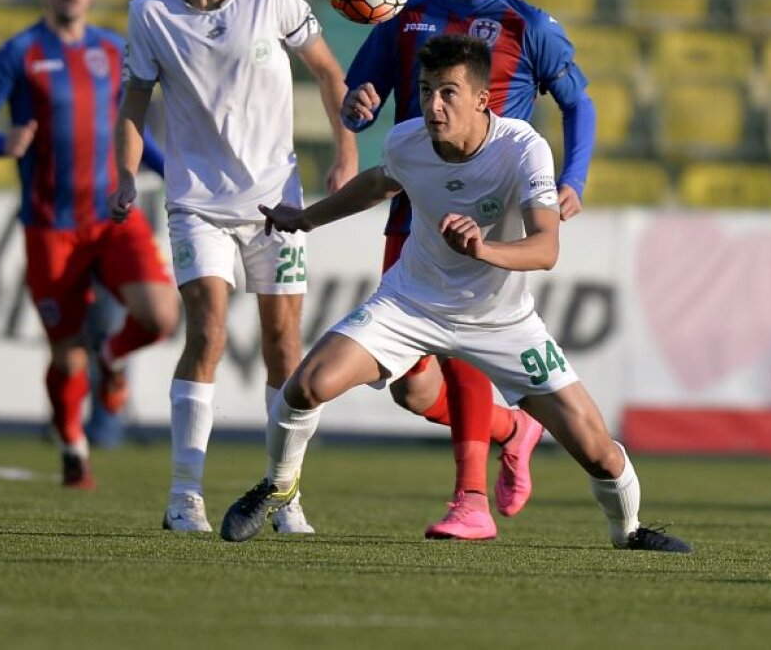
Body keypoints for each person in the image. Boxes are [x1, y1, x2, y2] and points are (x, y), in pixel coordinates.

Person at [220, 34, 689, 554]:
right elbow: (379, 183)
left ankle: (630, 531)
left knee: (597, 449)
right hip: (410, 304)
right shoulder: (408, 140)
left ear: (482, 100)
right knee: (309, 384)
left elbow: (545, 249)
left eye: (447, 93)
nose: (432, 106)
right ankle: (278, 483)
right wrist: (306, 218)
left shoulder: (522, 148)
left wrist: (482, 248)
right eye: (424, 91)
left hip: (501, 321)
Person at [340, 0, 597, 539]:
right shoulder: (406, 15)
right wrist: (358, 107)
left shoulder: (529, 27)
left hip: (487, 214)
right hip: (411, 203)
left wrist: (572, 176)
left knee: (463, 354)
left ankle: (470, 499)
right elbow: (358, 97)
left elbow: (580, 105)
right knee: (412, 388)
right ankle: (514, 425)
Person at [110, 0, 359, 533]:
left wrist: (346, 151)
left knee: (284, 349)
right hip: (197, 203)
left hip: (279, 203)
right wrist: (123, 176)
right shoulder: (149, 14)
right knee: (209, 333)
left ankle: (284, 494)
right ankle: (183, 494)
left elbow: (330, 72)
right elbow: (134, 104)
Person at [0, 0, 179, 489]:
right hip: (51, 228)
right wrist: (0, 140)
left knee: (162, 315)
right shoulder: (21, 53)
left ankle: (115, 355)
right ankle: (73, 447)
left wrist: (174, 171)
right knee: (66, 357)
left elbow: (133, 133)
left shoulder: (111, 49)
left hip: (112, 217)